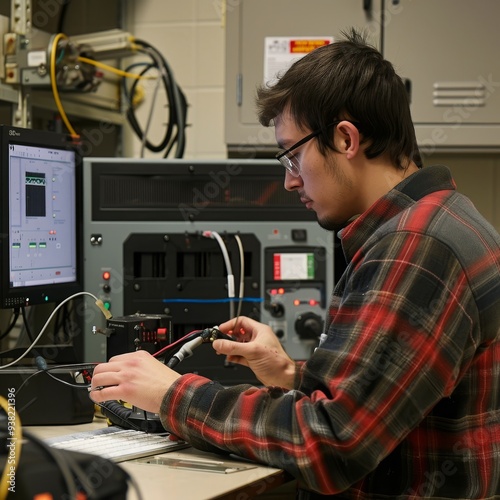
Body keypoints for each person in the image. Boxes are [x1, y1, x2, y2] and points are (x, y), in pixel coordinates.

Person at [90, 28, 500, 498]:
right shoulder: (442, 219)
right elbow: (387, 398)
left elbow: (330, 443)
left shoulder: (418, 247)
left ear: (345, 139)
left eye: (292, 156)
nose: (289, 182)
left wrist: (171, 394)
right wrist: (292, 376)